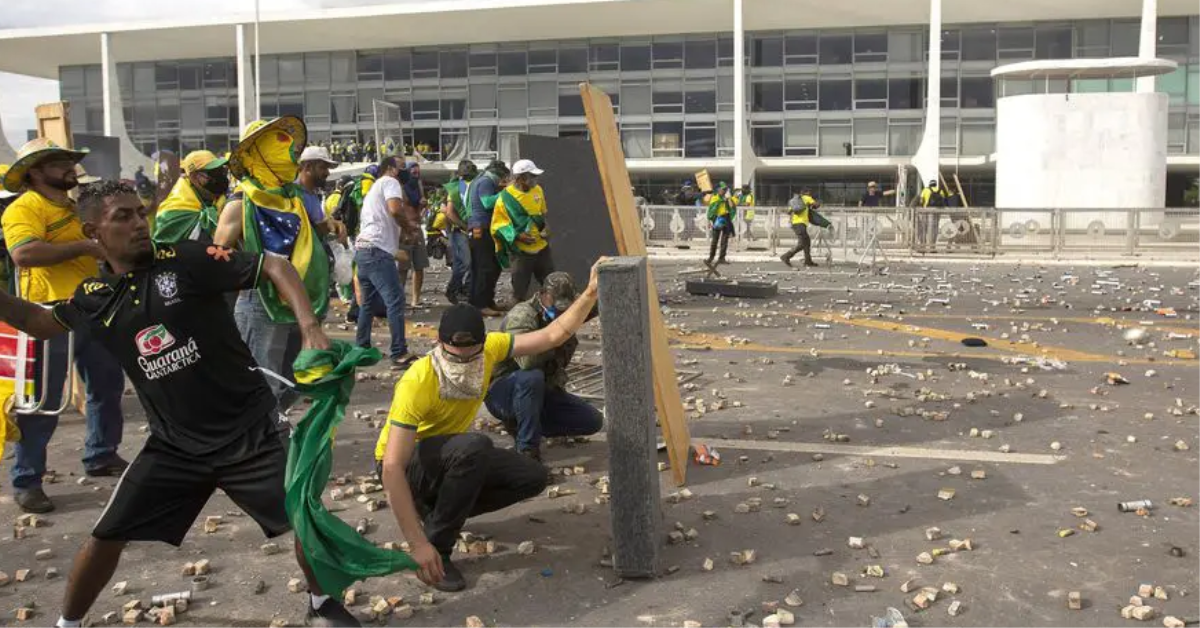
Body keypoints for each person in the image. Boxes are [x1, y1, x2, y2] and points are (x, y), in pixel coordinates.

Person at [0, 180, 363, 628]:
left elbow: (273, 264)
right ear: (92, 232)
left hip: (251, 433)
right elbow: (37, 321)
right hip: (175, 447)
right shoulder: (95, 297)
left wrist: (309, 326)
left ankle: (321, 603)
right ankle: (67, 624)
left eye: (140, 213)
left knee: (305, 518)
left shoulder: (186, 259)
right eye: (123, 217)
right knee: (104, 536)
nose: (138, 224)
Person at [377, 259, 603, 593]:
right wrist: (416, 545)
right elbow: (392, 466)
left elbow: (553, 334)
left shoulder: (494, 348)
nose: (464, 363)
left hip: (449, 456)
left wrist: (591, 292)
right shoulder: (418, 380)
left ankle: (438, 513)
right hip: (407, 466)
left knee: (532, 476)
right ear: (439, 345)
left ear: (483, 345)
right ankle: (437, 547)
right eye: (456, 355)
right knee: (474, 447)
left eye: (472, 355)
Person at [1, 138, 127, 514]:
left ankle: (101, 454)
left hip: (91, 307)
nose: (70, 168)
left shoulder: (72, 207)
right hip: (46, 314)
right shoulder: (26, 207)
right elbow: (23, 253)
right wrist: (84, 249)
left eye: (71, 161)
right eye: (60, 163)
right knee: (43, 401)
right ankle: (27, 479)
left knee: (106, 384)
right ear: (36, 172)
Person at [214, 116, 331, 419]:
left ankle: (268, 428)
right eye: (277, 143)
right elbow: (217, 256)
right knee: (262, 381)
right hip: (260, 302)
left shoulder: (290, 199)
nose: (289, 150)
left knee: (296, 376)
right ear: (258, 153)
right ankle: (260, 444)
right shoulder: (241, 201)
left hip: (297, 300)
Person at [485, 272, 602, 461]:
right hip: (505, 390)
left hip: (542, 391)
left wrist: (598, 285)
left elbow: (593, 304)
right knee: (532, 377)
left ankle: (528, 423)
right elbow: (527, 362)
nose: (561, 313)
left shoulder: (564, 311)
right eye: (557, 306)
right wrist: (556, 335)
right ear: (543, 295)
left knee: (592, 421)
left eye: (566, 308)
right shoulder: (522, 315)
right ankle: (527, 451)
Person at [354, 156, 420, 367]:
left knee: (368, 303)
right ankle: (398, 352)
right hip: (376, 251)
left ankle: (361, 348)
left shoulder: (374, 188)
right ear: (391, 169)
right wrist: (410, 227)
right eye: (401, 167)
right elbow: (394, 210)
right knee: (395, 300)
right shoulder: (390, 182)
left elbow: (384, 221)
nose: (405, 172)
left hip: (363, 249)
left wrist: (403, 235)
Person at [492, 159, 554, 303]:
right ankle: (516, 320)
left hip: (542, 248)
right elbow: (498, 226)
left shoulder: (538, 190)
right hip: (521, 253)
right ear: (520, 178)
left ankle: (554, 318)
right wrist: (519, 236)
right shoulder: (505, 198)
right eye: (532, 176)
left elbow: (541, 214)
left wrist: (547, 228)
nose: (535, 179)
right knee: (518, 292)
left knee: (552, 285)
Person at [152, 150, 230, 245]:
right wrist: (222, 208)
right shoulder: (175, 208)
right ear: (193, 177)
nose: (220, 176)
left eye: (221, 170)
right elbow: (202, 242)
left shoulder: (213, 196)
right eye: (212, 172)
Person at [466, 160, 509, 317]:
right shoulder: (486, 181)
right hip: (482, 229)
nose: (502, 180)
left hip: (479, 229)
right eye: (503, 176)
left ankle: (485, 301)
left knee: (487, 267)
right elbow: (487, 203)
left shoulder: (480, 180)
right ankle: (481, 304)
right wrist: (506, 192)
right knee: (486, 268)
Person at [295, 145, 348, 245]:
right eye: (323, 167)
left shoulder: (312, 194)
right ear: (308, 168)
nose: (328, 173)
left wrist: (335, 224)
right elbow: (297, 234)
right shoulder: (294, 195)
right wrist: (328, 225)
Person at [441, 160, 476, 305]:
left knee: (465, 264)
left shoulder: (469, 186)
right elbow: (448, 212)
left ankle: (462, 290)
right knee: (465, 263)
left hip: (466, 229)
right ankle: (455, 290)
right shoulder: (456, 188)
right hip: (458, 231)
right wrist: (463, 225)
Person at [399, 161, 429, 308]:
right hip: (405, 229)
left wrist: (423, 206)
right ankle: (400, 298)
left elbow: (422, 207)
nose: (416, 175)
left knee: (420, 265)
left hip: (417, 227)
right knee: (403, 267)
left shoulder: (419, 185)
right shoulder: (401, 187)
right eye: (413, 173)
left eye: (418, 173)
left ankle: (415, 299)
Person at [781, 189, 820, 268]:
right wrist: (817, 203)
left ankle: (808, 261)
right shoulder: (807, 198)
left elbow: (789, 212)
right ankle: (786, 256)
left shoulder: (797, 201)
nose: (811, 194)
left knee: (807, 242)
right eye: (810, 193)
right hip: (800, 224)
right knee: (802, 243)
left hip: (795, 224)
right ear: (807, 193)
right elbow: (816, 205)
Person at [705, 182, 736, 266]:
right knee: (715, 240)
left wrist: (729, 198)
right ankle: (711, 257)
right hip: (717, 219)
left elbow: (732, 207)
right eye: (723, 189)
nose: (724, 191)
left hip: (726, 218)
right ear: (718, 189)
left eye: (726, 189)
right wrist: (709, 220)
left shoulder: (727, 198)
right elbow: (710, 210)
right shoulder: (714, 198)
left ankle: (721, 258)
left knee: (724, 240)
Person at [914, 178, 948, 250]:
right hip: (937, 212)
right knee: (934, 229)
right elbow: (943, 200)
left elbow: (921, 201)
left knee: (924, 228)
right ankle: (932, 247)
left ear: (929, 184)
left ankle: (922, 246)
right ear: (935, 184)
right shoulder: (940, 190)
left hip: (927, 211)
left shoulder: (925, 190)